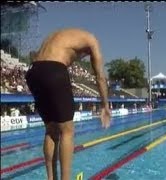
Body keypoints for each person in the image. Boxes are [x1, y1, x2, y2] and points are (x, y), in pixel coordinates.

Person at [25, 28, 111, 180]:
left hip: (33, 72)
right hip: (54, 70)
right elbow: (100, 77)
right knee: (67, 131)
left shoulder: (60, 35)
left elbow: (43, 58)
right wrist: (105, 105)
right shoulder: (92, 40)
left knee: (51, 130)